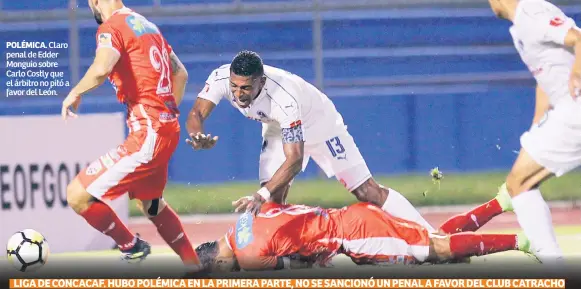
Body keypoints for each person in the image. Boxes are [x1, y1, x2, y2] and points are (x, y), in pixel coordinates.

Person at [185, 50, 436, 234]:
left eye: (246, 88)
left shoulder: (284, 98)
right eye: (234, 87)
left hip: (320, 124)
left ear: (261, 82)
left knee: (366, 191)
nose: (238, 95)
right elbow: (196, 113)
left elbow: (294, 160)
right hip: (275, 126)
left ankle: (431, 235)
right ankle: (286, 253)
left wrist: (260, 194)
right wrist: (197, 134)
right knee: (274, 200)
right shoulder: (221, 78)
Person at [61, 0, 201, 272]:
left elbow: (102, 68)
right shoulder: (147, 25)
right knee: (151, 204)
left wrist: (75, 92)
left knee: (77, 194)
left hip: (147, 131)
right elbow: (180, 73)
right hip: (165, 127)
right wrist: (166, 111)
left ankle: (131, 246)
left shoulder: (111, 27)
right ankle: (196, 268)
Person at [486, 0, 581, 265]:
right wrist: (537, 128)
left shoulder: (530, 12)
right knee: (519, 183)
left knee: (519, 183)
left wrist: (577, 71)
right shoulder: (520, 26)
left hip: (575, 110)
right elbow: (545, 81)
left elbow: (579, 39)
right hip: (566, 111)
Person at [193, 201, 531, 272]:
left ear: (218, 261)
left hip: (356, 236)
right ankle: (502, 200)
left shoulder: (248, 258)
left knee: (438, 250)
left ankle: (522, 242)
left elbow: (300, 268)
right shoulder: (244, 219)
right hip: (351, 216)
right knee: (435, 238)